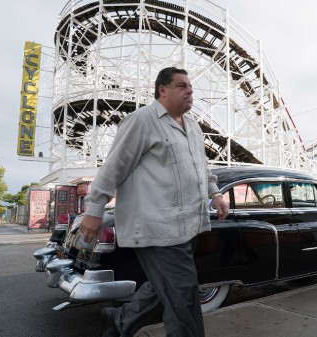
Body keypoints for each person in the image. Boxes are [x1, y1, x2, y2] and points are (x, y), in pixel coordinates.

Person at [80, 67, 229, 337]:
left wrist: (215, 193)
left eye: (190, 87)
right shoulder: (142, 120)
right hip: (157, 226)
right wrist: (94, 209)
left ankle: (118, 322)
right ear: (163, 89)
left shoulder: (193, 127)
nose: (190, 91)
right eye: (182, 86)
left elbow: (201, 168)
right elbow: (113, 167)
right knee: (183, 297)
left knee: (164, 289)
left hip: (189, 225)